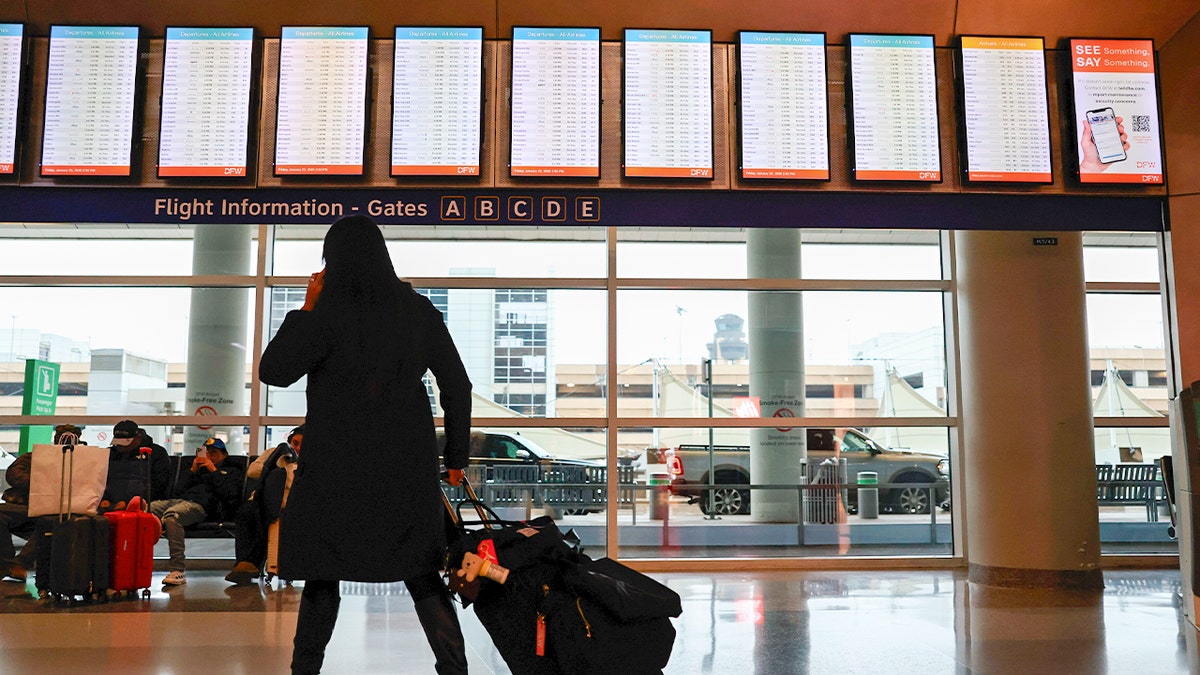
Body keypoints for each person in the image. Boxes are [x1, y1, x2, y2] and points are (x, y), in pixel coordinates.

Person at [259, 215, 473, 675]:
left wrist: (307, 307)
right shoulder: (417, 310)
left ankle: (304, 670)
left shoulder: (326, 314)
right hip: (404, 466)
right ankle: (455, 669)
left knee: (323, 574)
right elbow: (457, 385)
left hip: (335, 466)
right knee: (422, 572)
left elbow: (274, 371)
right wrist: (456, 458)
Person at [149, 437, 244, 586]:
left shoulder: (231, 472)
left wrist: (214, 471)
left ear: (224, 455)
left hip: (201, 507)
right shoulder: (196, 471)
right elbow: (176, 491)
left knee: (172, 516)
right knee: (144, 509)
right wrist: (193, 470)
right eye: (207, 452)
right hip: (178, 502)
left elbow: (230, 495)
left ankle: (177, 569)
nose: (210, 455)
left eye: (214, 452)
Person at [0, 423, 84, 582]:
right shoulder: (36, 457)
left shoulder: (83, 462)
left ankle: (19, 563)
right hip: (29, 506)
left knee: (52, 521)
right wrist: (44, 481)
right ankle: (6, 563)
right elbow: (13, 475)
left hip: (61, 511)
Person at [225, 424, 304, 585]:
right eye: (295, 443)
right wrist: (275, 463)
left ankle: (253, 563)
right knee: (247, 512)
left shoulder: (310, 461)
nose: (297, 448)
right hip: (264, 500)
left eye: (302, 445)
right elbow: (252, 471)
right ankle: (245, 564)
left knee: (268, 515)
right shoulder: (274, 453)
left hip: (292, 505)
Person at [102, 420, 171, 510]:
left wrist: (131, 502)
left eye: (125, 443)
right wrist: (104, 498)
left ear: (138, 438)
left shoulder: (155, 453)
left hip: (144, 504)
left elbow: (160, 485)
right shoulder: (110, 453)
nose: (121, 447)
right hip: (110, 503)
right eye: (118, 443)